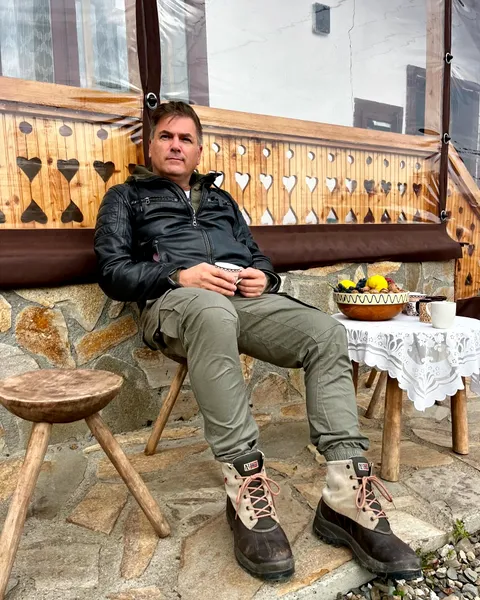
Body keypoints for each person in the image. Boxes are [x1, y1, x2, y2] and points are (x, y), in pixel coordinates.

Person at [94, 101, 421, 582]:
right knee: (211, 312)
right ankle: (244, 485)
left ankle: (345, 494)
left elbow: (258, 257)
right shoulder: (126, 197)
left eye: (185, 139)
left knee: (326, 333)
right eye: (166, 136)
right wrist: (179, 274)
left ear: (198, 150)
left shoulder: (221, 201)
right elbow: (112, 271)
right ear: (151, 145)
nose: (176, 146)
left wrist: (264, 279)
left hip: (242, 303)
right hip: (175, 303)